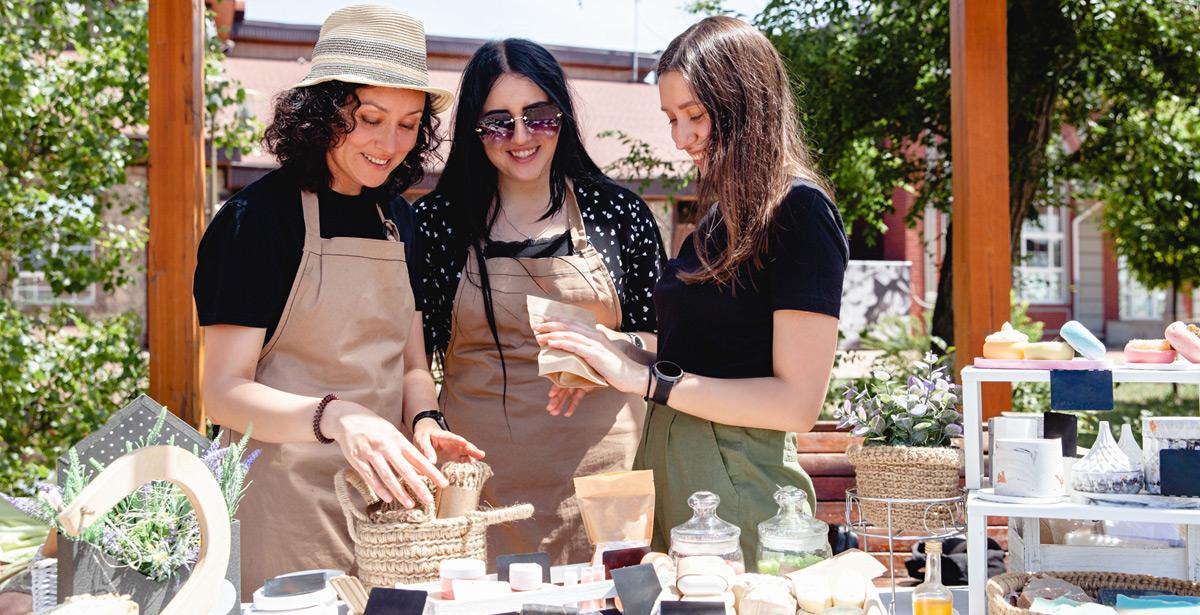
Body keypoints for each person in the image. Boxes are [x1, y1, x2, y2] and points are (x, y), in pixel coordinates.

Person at [535, 16, 848, 569]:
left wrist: (646, 381)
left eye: (696, 116)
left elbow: (797, 404)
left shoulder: (799, 212)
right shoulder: (718, 218)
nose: (681, 139)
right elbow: (702, 356)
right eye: (671, 118)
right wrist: (605, 349)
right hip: (673, 464)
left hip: (741, 480)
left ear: (746, 105)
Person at [193, 5, 483, 596]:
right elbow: (223, 394)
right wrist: (338, 416)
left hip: (387, 512)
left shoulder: (399, 218)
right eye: (370, 118)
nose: (389, 143)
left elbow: (408, 365)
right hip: (281, 506)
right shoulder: (257, 220)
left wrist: (425, 420)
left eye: (408, 124)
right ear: (323, 113)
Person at [415, 38, 666, 565]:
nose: (521, 136)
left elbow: (662, 340)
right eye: (498, 122)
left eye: (539, 115)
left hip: (604, 481)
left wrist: (601, 345)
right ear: (474, 131)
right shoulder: (438, 222)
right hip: (478, 484)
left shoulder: (619, 213)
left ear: (563, 116)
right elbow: (413, 356)